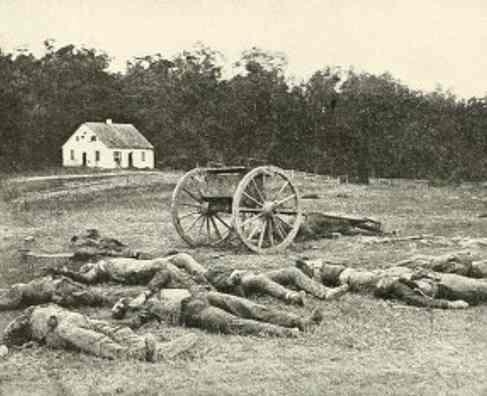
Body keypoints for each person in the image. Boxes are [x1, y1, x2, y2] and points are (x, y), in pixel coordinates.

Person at [54, 252, 348, 305]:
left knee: (291, 272)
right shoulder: (108, 269)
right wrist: (67, 273)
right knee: (257, 280)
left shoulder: (179, 264)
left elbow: (179, 262)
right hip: (230, 281)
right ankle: (292, 297)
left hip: (220, 274)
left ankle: (323, 292)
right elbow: (91, 278)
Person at [2, 303, 197, 361]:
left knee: (111, 328)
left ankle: (146, 347)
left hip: (74, 316)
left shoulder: (44, 304)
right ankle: (133, 353)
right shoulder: (20, 322)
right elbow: (6, 339)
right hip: (59, 330)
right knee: (92, 338)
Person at [111, 287, 323, 338]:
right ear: (130, 310)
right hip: (195, 313)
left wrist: (147, 293)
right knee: (237, 323)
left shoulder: (154, 291)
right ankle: (288, 332)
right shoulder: (146, 312)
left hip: (205, 295)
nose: (128, 301)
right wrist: (115, 322)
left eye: (125, 299)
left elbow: (164, 273)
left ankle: (302, 321)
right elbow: (132, 326)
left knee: (252, 308)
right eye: (124, 306)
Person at [294, 258, 477, 309]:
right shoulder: (395, 284)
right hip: (447, 287)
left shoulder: (393, 278)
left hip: (438, 279)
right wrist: (450, 304)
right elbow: (418, 300)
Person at [0, 275, 110, 311]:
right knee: (7, 304)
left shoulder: (73, 289)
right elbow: (55, 297)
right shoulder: (68, 288)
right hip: (22, 291)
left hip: (30, 292)